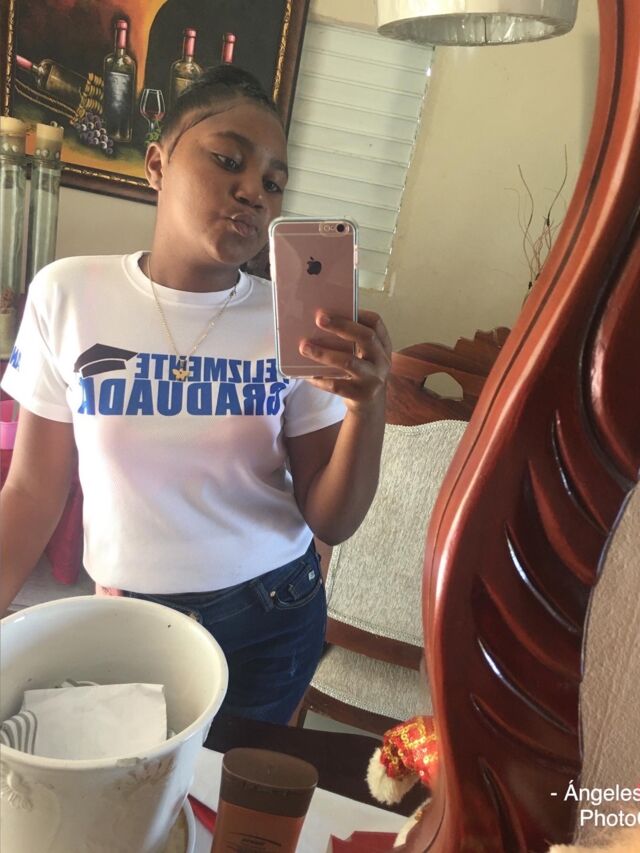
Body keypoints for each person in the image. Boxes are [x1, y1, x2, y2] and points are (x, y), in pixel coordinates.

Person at [0, 65, 392, 724]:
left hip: (272, 612)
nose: (254, 192)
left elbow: (332, 519)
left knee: (233, 791)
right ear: (157, 164)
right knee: (125, 782)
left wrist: (366, 406)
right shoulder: (68, 293)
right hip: (129, 617)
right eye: (228, 160)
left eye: (273, 183)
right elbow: (33, 491)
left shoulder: (293, 320)